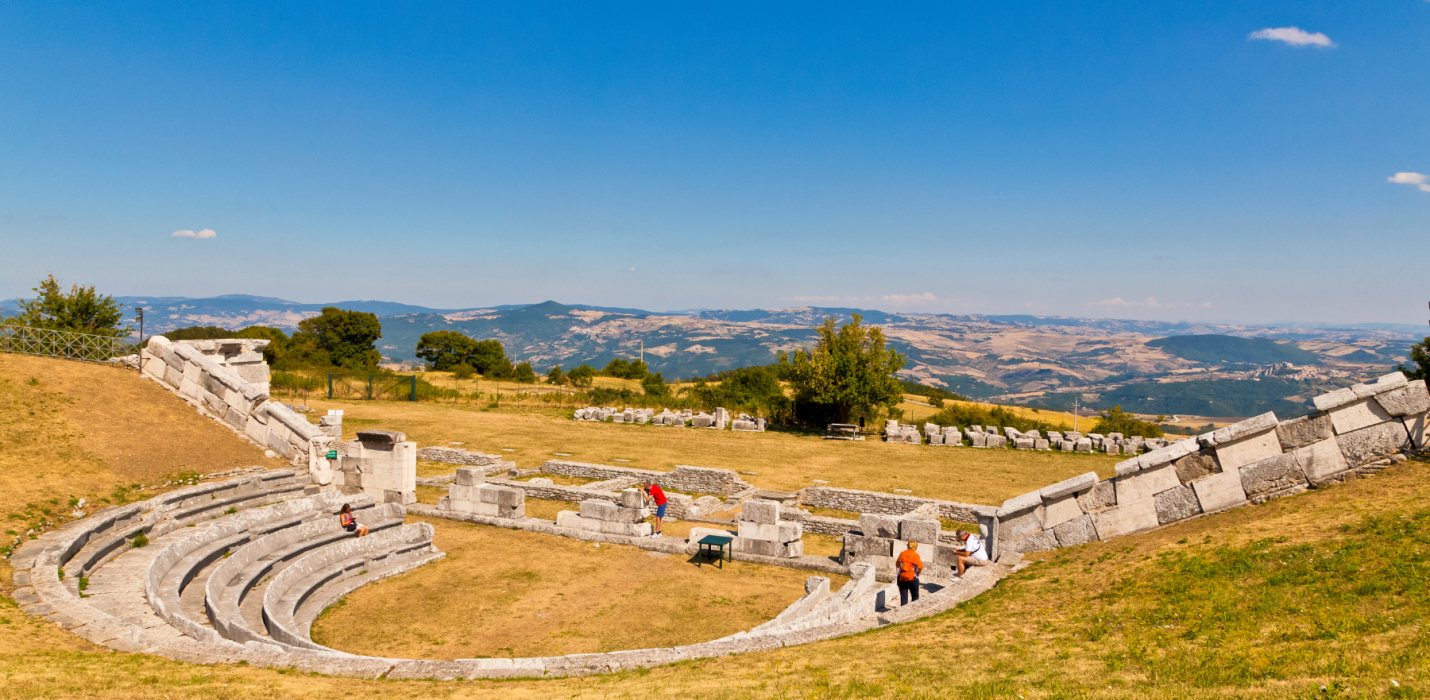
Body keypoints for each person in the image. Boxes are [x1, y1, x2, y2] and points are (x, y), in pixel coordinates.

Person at [895, 540, 923, 605]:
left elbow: (897, 565)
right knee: (915, 597)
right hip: (912, 578)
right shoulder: (916, 555)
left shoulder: (902, 553)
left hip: (902, 577)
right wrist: (919, 572)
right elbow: (920, 567)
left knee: (903, 597)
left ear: (908, 546)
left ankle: (903, 613)